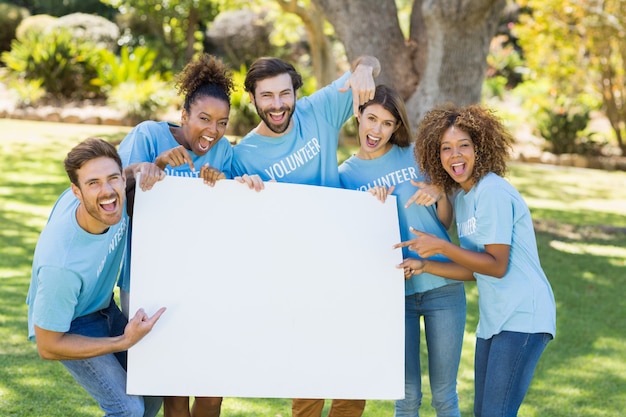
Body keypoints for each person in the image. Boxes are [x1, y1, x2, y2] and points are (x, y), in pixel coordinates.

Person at [231, 55, 380, 417]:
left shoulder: (319, 111)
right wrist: (238, 186)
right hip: (295, 276)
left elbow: (371, 63)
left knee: (352, 378)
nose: (277, 104)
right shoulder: (243, 156)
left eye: (284, 93)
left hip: (346, 262)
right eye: (267, 96)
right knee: (309, 379)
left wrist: (364, 69)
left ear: (296, 92)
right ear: (252, 98)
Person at [117, 53, 261, 417]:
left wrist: (229, 184)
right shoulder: (148, 135)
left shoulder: (223, 151)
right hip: (148, 278)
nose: (213, 130)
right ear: (184, 116)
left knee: (212, 390)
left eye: (223, 122)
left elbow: (226, 214)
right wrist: (154, 166)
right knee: (172, 385)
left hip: (203, 279)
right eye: (204, 119)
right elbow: (114, 196)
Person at [395, 104, 556, 417]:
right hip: (495, 322)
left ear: (480, 148)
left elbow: (496, 265)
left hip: (524, 317)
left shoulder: (492, 191)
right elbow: (475, 268)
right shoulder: (466, 198)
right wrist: (426, 265)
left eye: (463, 146)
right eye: (446, 148)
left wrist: (442, 246)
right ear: (436, 156)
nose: (455, 155)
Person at [338, 85, 466, 417]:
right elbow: (351, 242)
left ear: (397, 127)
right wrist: (369, 208)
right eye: (372, 119)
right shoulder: (345, 176)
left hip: (443, 285)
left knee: (444, 396)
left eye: (387, 123)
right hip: (395, 295)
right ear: (359, 116)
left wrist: (439, 193)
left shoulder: (415, 155)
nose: (376, 130)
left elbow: (446, 223)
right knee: (406, 396)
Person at [26, 137, 167, 417]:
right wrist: (122, 342)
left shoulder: (117, 196)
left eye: (112, 178)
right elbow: (48, 345)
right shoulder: (61, 265)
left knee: (151, 389)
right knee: (126, 409)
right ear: (76, 192)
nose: (108, 192)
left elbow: (129, 173)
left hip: (102, 306)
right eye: (93, 183)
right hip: (70, 323)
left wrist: (150, 166)